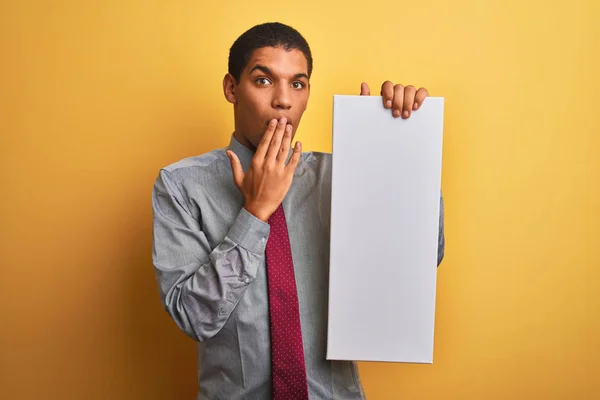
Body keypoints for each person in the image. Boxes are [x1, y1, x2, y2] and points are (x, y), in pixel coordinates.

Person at [152, 21, 445, 400]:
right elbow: (194, 317)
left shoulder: (343, 176)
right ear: (231, 88)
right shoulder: (181, 186)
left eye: (297, 83)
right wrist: (255, 214)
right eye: (263, 80)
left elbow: (419, 261)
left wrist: (402, 148)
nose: (283, 100)